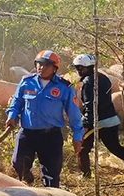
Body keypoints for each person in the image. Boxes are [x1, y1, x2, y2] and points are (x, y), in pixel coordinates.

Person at [73, 53, 124, 182]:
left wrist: (85, 124)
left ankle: (85, 176)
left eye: (81, 68)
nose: (79, 71)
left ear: (90, 67)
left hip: (97, 121)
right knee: (116, 148)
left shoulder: (88, 81)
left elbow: (90, 105)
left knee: (82, 149)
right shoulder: (103, 78)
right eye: (77, 68)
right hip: (111, 119)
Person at [5, 50, 83, 187]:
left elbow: (74, 113)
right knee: (18, 163)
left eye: (46, 65)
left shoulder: (64, 87)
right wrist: (12, 115)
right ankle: (27, 181)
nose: (42, 67)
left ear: (55, 68)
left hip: (50, 136)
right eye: (39, 64)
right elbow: (17, 102)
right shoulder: (26, 82)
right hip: (27, 133)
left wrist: (77, 136)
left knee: (51, 173)